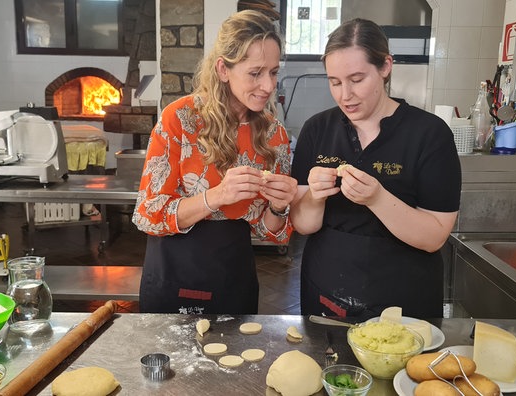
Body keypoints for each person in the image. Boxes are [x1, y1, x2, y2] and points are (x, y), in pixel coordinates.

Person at [290, 18, 462, 320]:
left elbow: (435, 236)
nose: (345, 95)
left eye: (357, 79)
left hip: (404, 300)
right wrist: (315, 196)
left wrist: (377, 199)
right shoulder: (317, 129)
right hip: (327, 292)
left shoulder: (430, 134)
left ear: (385, 67)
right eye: (334, 82)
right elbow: (303, 224)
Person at [132, 10, 297, 315]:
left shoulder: (273, 134)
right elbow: (147, 214)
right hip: (173, 277)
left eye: (273, 72)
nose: (268, 85)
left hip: (233, 280)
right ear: (223, 69)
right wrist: (217, 196)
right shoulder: (179, 120)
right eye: (255, 73)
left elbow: (268, 232)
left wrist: (278, 206)